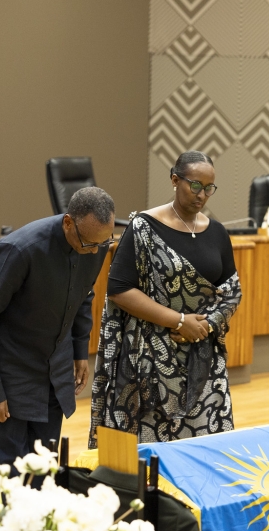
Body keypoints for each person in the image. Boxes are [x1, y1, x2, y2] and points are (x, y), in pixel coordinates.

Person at [90, 151, 240, 445]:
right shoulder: (143, 227)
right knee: (151, 447)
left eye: (209, 188)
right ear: (175, 180)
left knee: (206, 445)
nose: (202, 195)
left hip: (202, 358)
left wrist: (204, 326)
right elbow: (119, 289)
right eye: (195, 185)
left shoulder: (217, 233)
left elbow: (232, 291)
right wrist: (180, 321)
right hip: (150, 358)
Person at [0, 187, 115, 468]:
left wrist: (79, 352)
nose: (95, 251)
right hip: (13, 375)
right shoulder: (21, 249)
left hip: (56, 376)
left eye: (103, 242)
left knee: (46, 469)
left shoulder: (96, 242)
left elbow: (84, 295)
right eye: (88, 243)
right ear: (68, 223)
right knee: (10, 475)